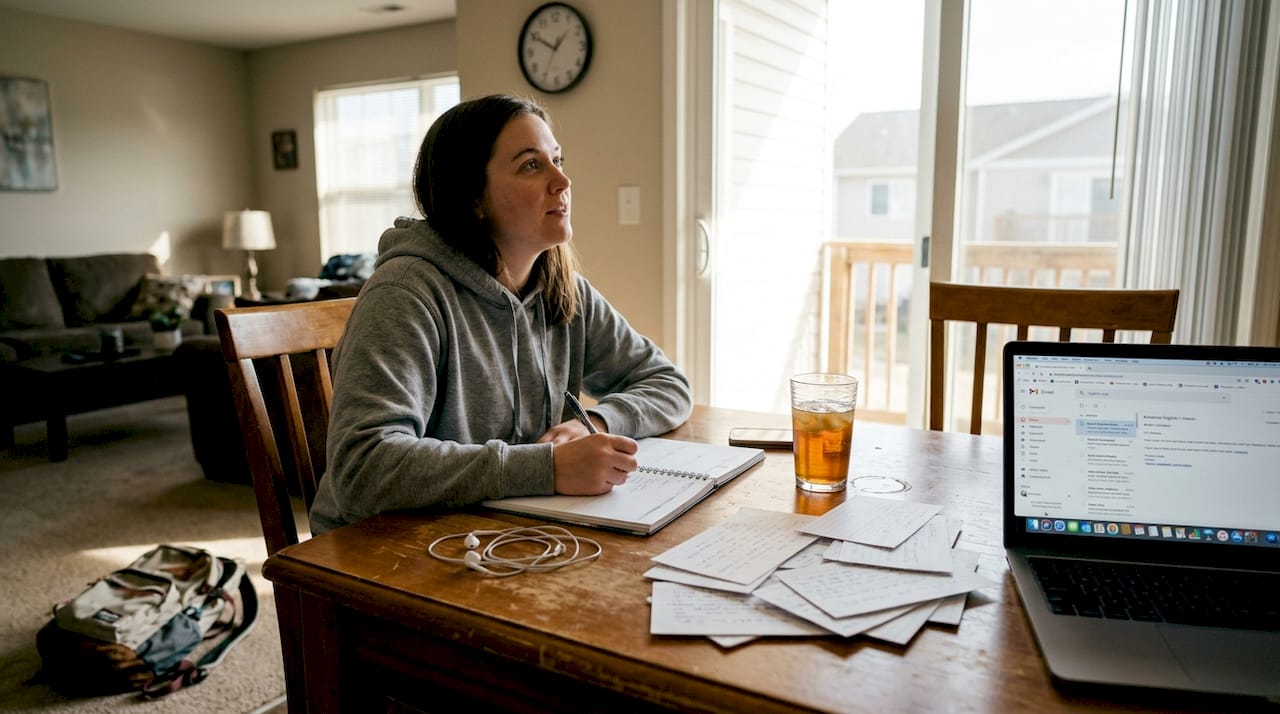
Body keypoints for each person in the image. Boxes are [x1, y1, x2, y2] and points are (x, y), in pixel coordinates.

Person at [309, 95, 693, 535]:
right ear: (473, 197)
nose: (562, 180)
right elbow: (364, 469)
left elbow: (669, 383)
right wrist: (547, 468)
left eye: (557, 159)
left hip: (494, 532)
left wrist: (599, 422)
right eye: (532, 165)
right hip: (377, 553)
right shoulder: (405, 294)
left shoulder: (562, 287)